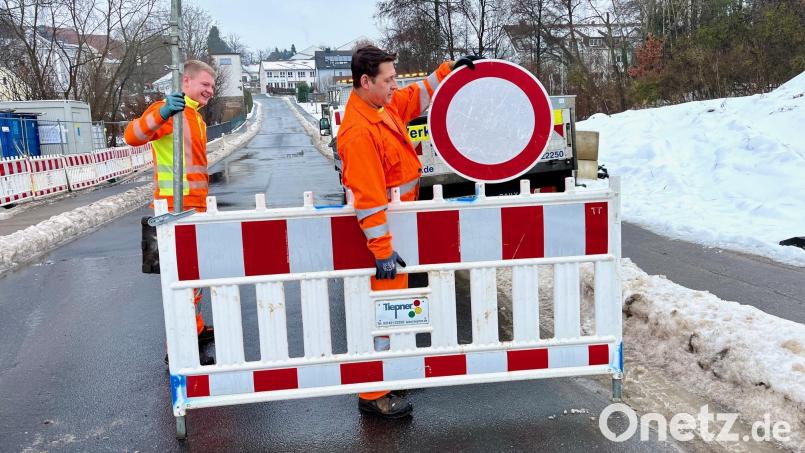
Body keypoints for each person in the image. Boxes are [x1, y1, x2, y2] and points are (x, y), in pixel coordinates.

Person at [337, 45, 480, 419]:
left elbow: (415, 96)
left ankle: (389, 375)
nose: (394, 85)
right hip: (386, 246)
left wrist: (447, 70)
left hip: (399, 235)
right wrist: (382, 250)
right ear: (366, 82)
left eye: (394, 78)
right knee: (382, 318)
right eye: (388, 80)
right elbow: (368, 199)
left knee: (395, 314)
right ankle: (374, 394)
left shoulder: (380, 107)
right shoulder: (358, 131)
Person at [124, 60, 217, 364]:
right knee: (181, 279)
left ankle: (196, 327)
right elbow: (132, 136)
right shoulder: (170, 112)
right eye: (205, 84)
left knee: (193, 276)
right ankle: (178, 346)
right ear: (186, 81)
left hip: (193, 208)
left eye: (212, 86)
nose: (210, 91)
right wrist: (163, 113)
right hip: (174, 210)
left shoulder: (195, 118)